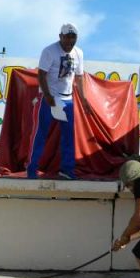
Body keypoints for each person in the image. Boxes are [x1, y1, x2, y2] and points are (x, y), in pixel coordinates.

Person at [27, 23, 92, 180]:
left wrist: (83, 99)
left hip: (67, 99)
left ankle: (67, 169)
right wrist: (48, 96)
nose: (70, 41)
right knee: (40, 134)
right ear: (60, 37)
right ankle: (32, 169)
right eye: (67, 38)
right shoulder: (49, 51)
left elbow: (78, 77)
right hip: (49, 98)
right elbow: (41, 74)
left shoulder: (79, 53)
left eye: (73, 38)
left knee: (69, 136)